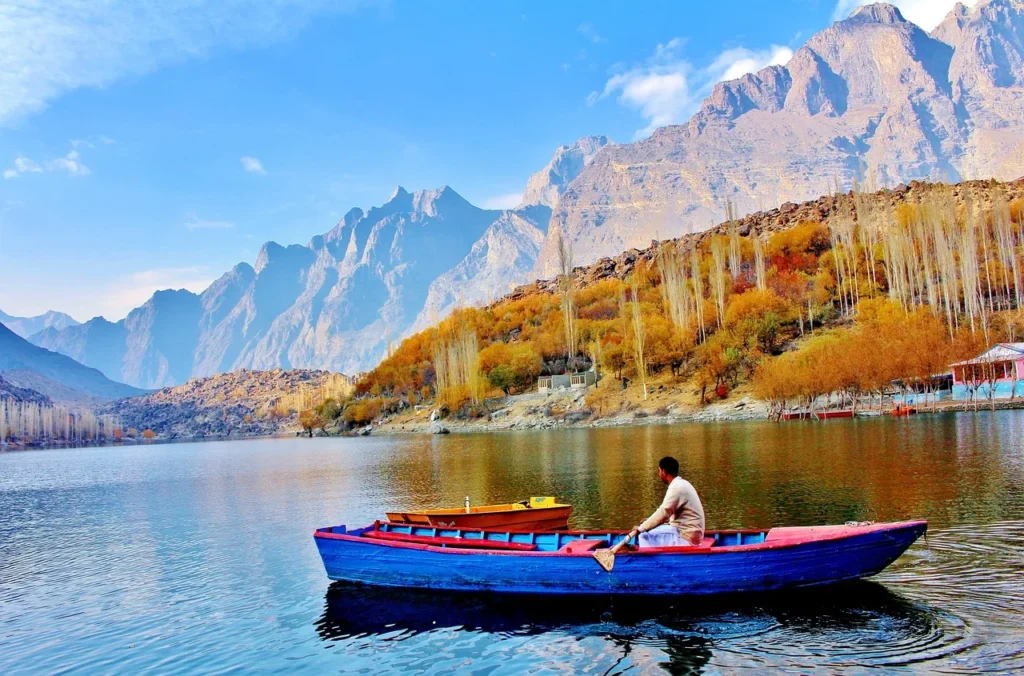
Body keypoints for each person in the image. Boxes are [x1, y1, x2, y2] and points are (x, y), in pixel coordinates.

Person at [635, 456, 705, 548]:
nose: (659, 474)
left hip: (686, 538)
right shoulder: (681, 483)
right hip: (692, 535)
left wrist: (640, 529)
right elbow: (668, 515)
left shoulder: (676, 488)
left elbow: (663, 513)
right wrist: (648, 521)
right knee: (649, 527)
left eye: (659, 471)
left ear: (664, 472)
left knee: (643, 535)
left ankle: (648, 561)